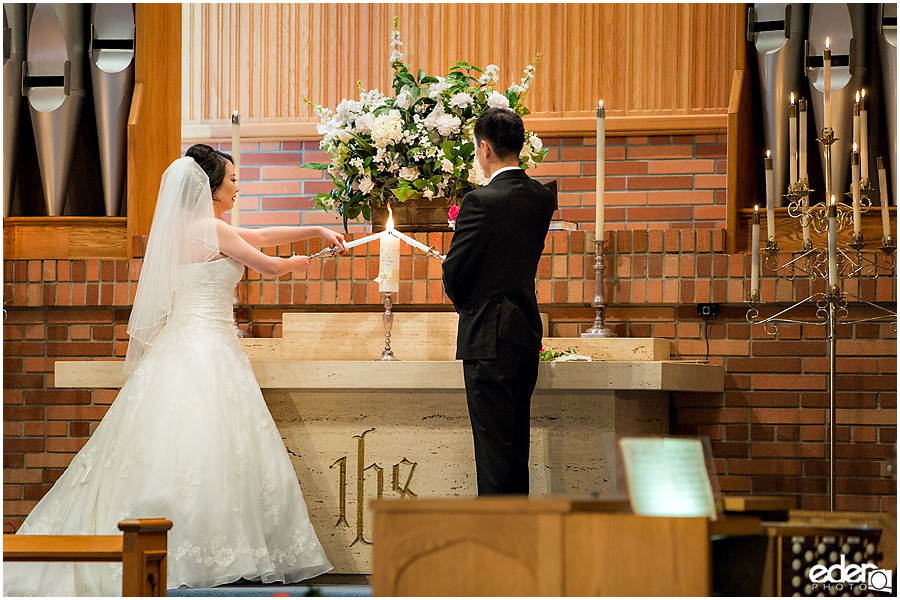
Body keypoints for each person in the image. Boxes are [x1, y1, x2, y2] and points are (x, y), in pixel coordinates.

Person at [3, 144, 345, 596]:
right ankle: (200, 550)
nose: (238, 186)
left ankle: (166, 549)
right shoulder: (212, 229)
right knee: (212, 446)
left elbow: (259, 238)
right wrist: (307, 261)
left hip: (181, 347)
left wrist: (316, 229)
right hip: (208, 349)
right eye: (233, 179)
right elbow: (269, 264)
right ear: (210, 185)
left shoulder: (188, 230)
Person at [442, 108, 555, 496]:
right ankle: (516, 546)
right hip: (524, 332)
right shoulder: (542, 199)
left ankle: (497, 550)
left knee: (493, 459)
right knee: (513, 452)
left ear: (484, 147)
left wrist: (468, 301)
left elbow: (455, 274)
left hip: (488, 338)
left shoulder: (480, 201)